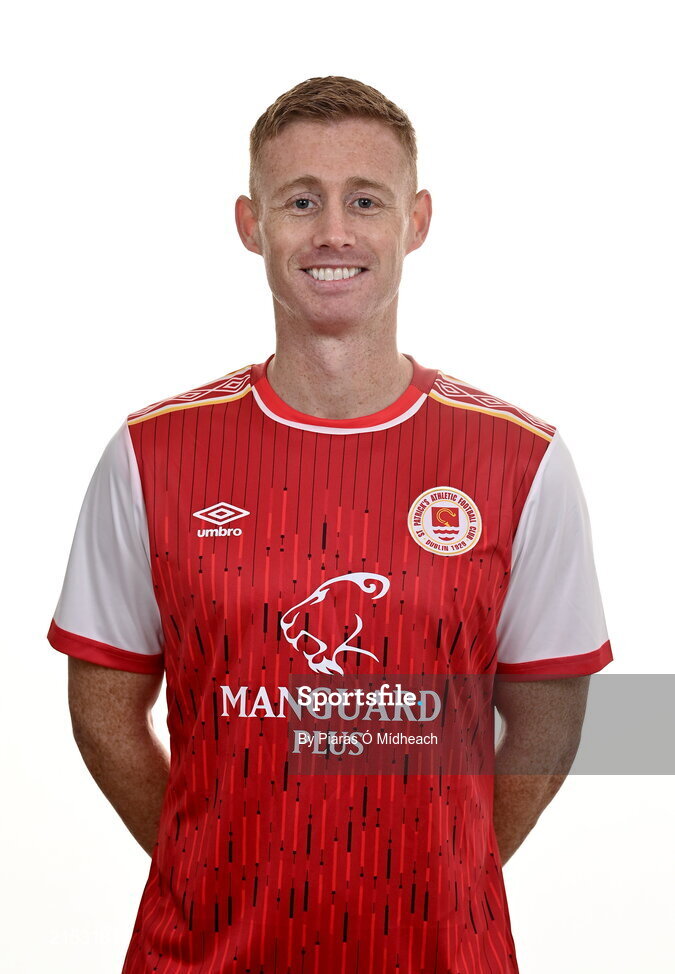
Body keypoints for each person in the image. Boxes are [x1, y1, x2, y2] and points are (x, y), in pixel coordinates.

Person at [47, 75, 613, 974]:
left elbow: (548, 723)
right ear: (251, 224)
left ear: (416, 221)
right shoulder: (151, 454)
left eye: (365, 201)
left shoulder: (521, 462)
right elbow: (101, 711)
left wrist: (443, 877)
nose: (333, 233)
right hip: (201, 956)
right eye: (300, 201)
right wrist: (212, 870)